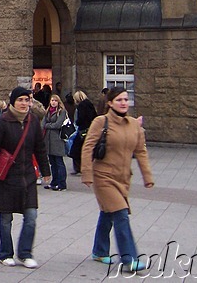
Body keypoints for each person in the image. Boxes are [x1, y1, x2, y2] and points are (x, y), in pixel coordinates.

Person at [0, 86, 51, 269]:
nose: (25, 104)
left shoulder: (33, 121)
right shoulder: (3, 121)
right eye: (21, 100)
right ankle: (5, 253)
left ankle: (25, 253)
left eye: (28, 100)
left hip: (27, 178)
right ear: (13, 102)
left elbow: (39, 148)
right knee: (6, 218)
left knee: (31, 215)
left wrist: (46, 171)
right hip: (7, 178)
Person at [81, 87, 153, 273]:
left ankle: (99, 251)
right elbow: (88, 147)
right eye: (119, 100)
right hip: (103, 176)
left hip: (123, 178)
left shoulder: (133, 125)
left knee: (107, 213)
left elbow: (141, 151)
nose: (123, 103)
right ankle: (130, 258)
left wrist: (147, 176)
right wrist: (87, 173)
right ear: (110, 103)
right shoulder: (101, 121)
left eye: (125, 99)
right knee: (121, 214)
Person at [42, 94, 68, 191]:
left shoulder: (61, 111)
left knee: (59, 162)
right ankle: (54, 182)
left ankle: (62, 183)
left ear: (58, 102)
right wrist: (48, 125)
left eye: (55, 100)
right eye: (52, 100)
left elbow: (58, 125)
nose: (53, 102)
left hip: (57, 139)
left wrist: (48, 125)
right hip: (48, 140)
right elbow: (42, 124)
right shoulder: (47, 111)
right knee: (52, 162)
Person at [70, 90, 97, 174]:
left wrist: (77, 123)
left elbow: (81, 119)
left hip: (83, 129)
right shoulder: (89, 104)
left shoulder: (81, 106)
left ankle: (79, 168)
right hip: (90, 129)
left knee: (76, 149)